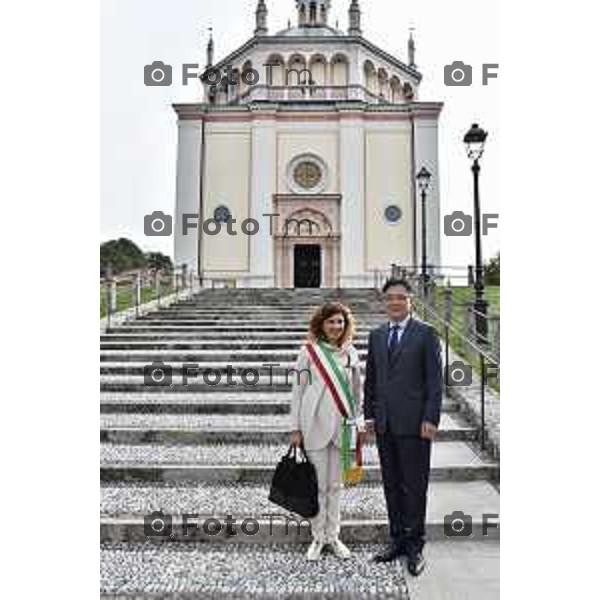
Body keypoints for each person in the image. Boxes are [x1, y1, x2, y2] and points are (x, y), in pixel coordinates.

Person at [363, 278, 442, 576]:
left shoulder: (426, 334)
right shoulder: (377, 335)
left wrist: (431, 419)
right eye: (390, 298)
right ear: (385, 302)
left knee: (414, 487)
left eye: (400, 297)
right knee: (392, 485)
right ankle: (396, 539)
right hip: (384, 424)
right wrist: (369, 415)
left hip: (415, 425)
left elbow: (435, 383)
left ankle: (415, 545)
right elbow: (372, 379)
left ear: (410, 301)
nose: (395, 302)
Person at [289, 302, 364, 562]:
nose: (336, 326)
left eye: (340, 322)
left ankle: (333, 536)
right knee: (318, 487)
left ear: (346, 325)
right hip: (313, 427)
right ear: (321, 324)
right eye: (331, 321)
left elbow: (357, 393)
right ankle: (318, 537)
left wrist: (358, 422)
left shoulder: (351, 353)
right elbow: (297, 392)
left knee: (336, 486)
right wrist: (294, 427)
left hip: (342, 428)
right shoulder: (308, 352)